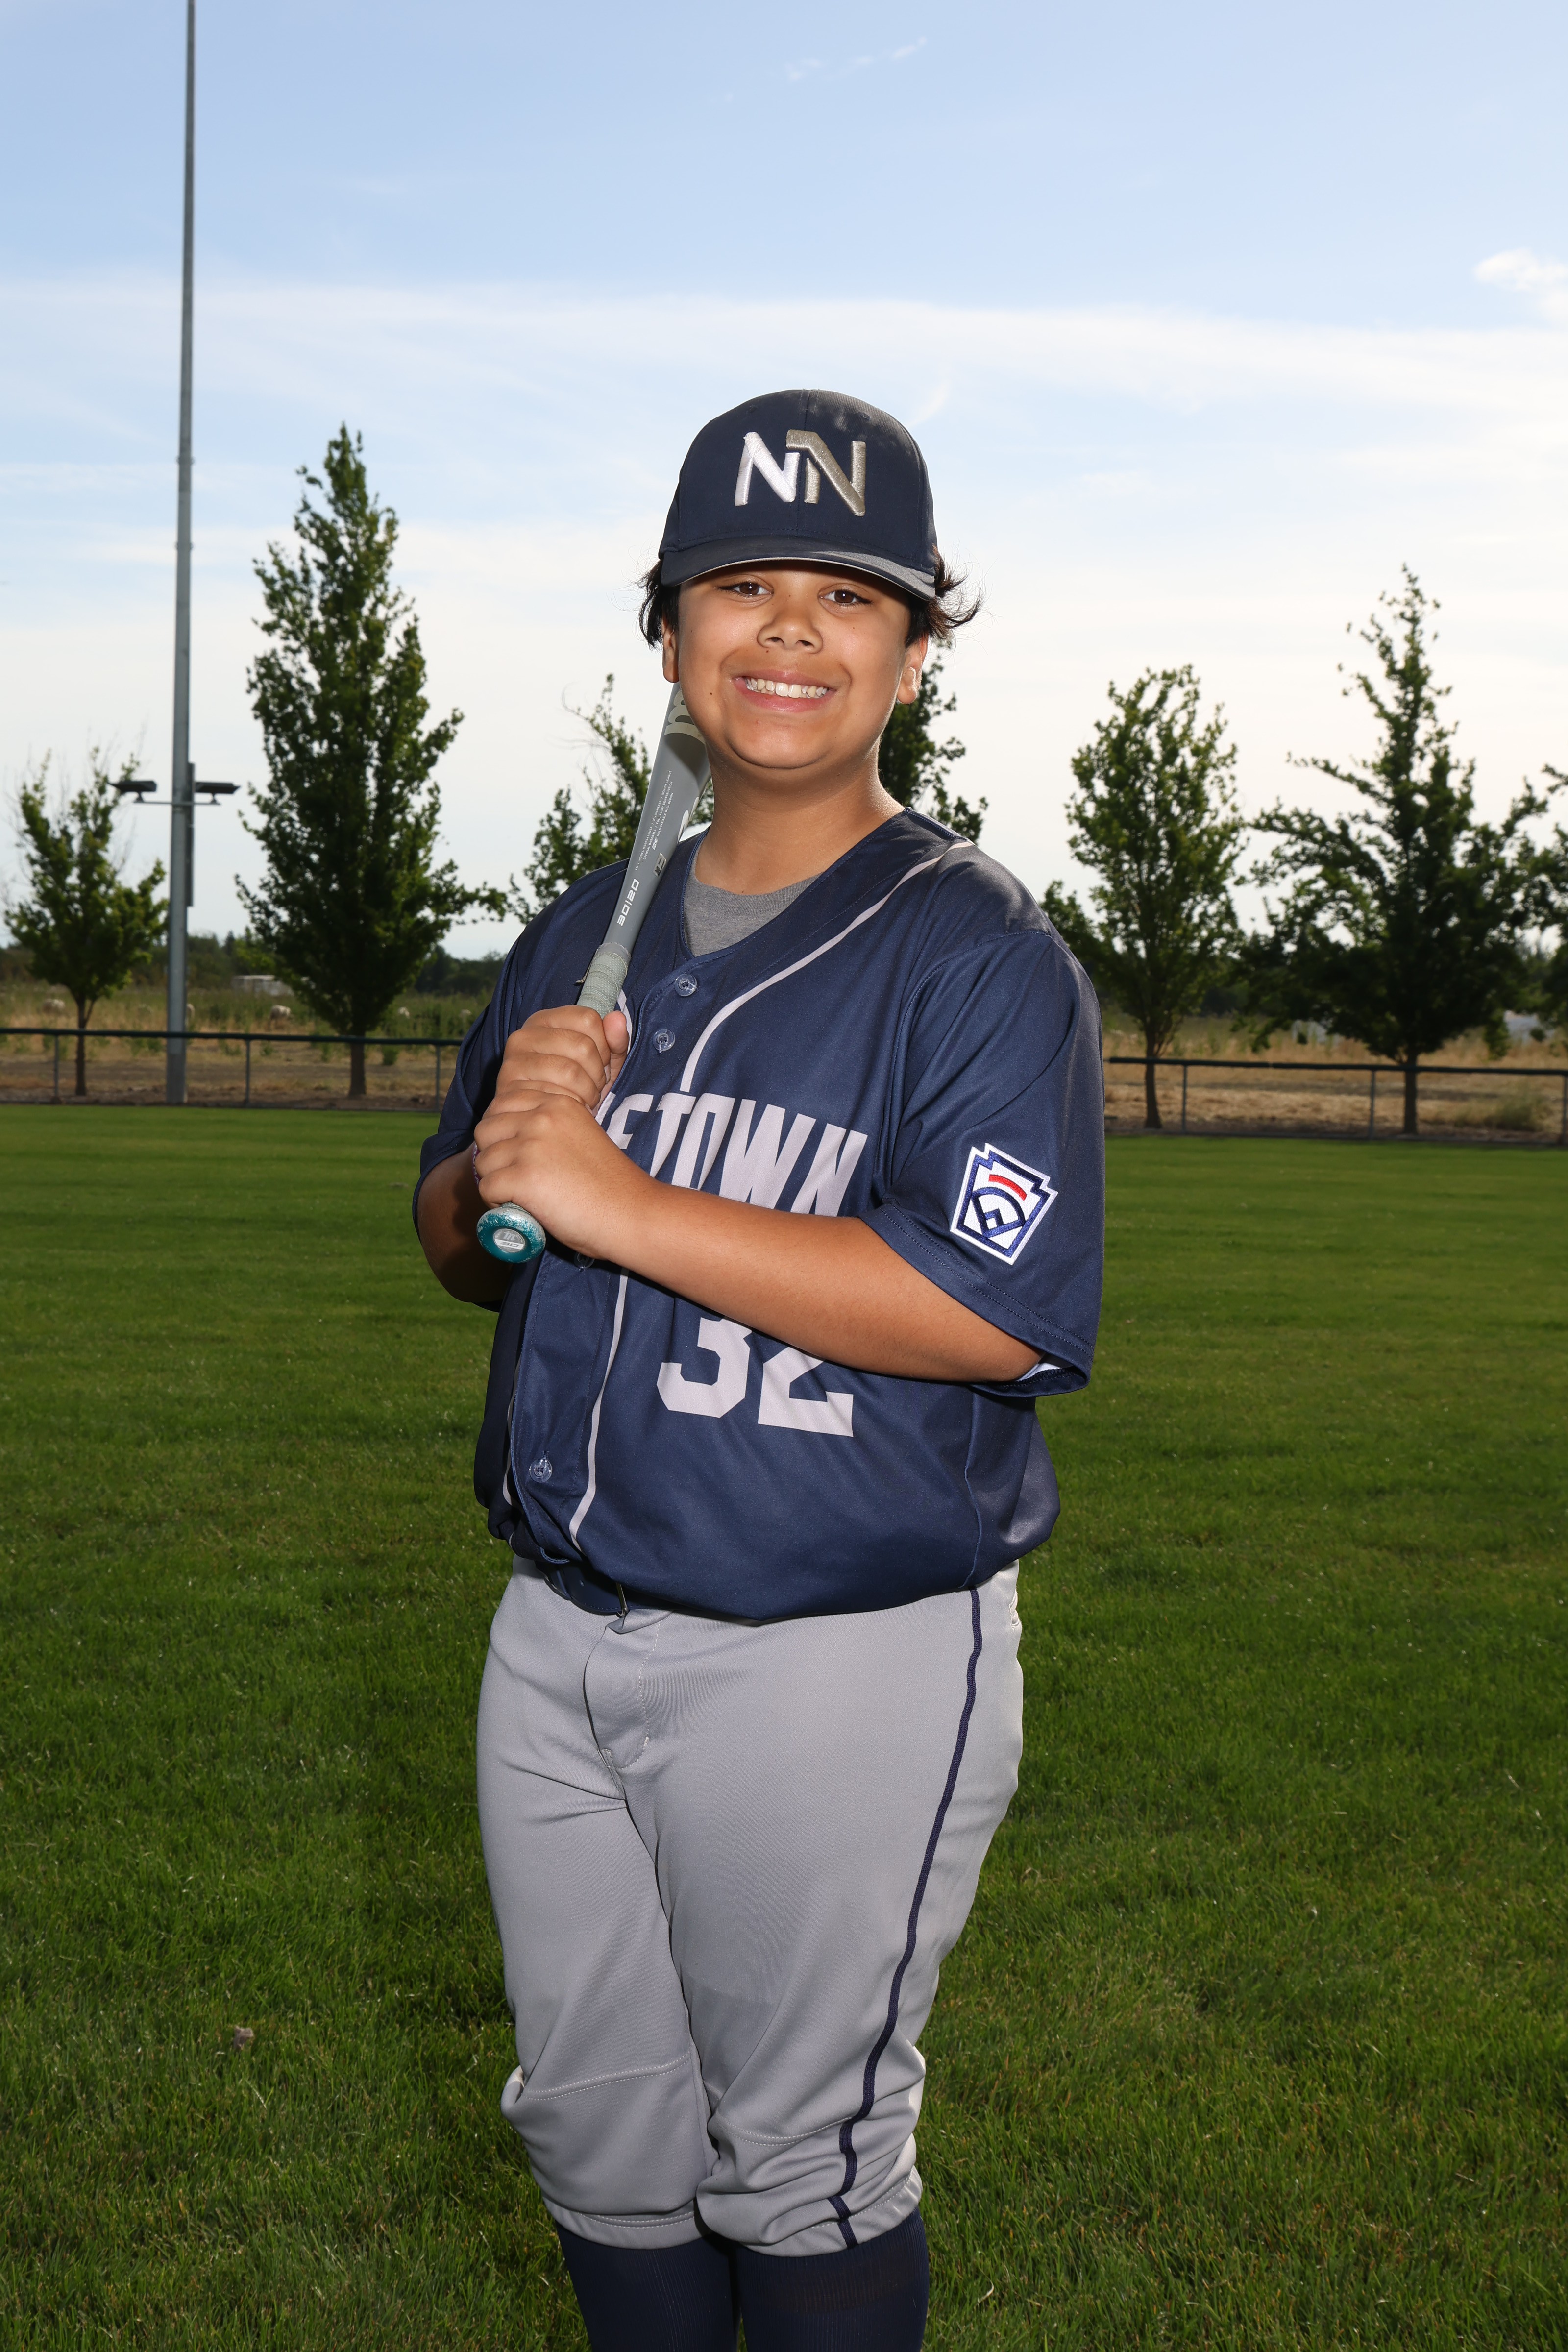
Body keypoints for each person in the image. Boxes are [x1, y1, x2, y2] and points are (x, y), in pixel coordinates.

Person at [415, 389, 1103, 2351]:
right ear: (667, 633)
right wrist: (499, 1164)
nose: (790, 630)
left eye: (847, 596)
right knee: (595, 2138)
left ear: (912, 654)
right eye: (741, 587)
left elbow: (998, 1309)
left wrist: (620, 1199)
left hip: (832, 1649)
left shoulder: (973, 952)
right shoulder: (584, 931)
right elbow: (466, 1246)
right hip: (556, 1623)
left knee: (800, 2157)